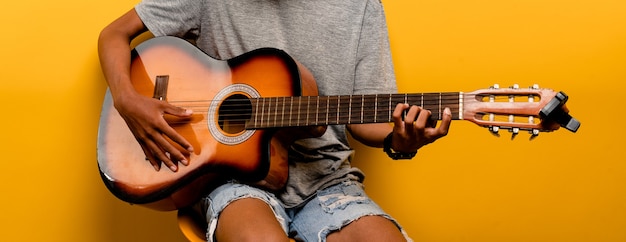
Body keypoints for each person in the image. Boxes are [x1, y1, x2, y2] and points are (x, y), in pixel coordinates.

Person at [98, 0, 452, 241]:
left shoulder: (360, 7)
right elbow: (113, 34)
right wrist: (129, 101)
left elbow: (364, 118)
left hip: (328, 180)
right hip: (230, 179)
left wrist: (399, 140)